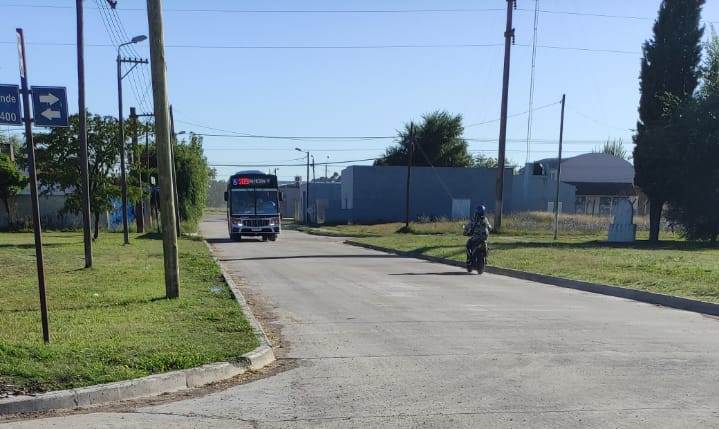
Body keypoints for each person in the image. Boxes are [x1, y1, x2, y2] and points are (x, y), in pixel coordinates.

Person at [464, 205, 491, 269]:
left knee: (468, 245)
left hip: (476, 237)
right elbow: (490, 227)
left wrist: (465, 230)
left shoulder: (474, 219)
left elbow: (468, 226)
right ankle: (486, 259)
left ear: (477, 212)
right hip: (484, 238)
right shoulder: (485, 219)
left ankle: (469, 259)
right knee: (486, 245)